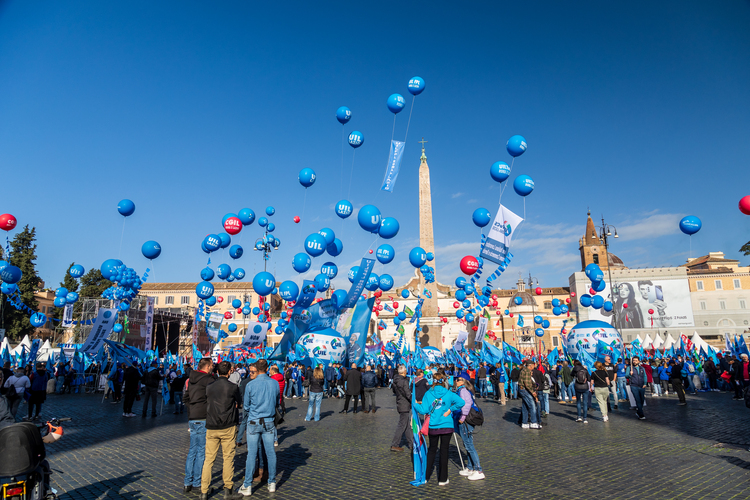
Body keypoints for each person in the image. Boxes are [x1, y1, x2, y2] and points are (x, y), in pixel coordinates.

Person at [414, 373, 465, 486]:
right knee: (444, 451)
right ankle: (442, 479)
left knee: (432, 451)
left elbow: (423, 410)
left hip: (434, 426)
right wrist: (450, 409)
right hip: (447, 426)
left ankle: (426, 477)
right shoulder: (449, 393)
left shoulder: (428, 393)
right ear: (443, 381)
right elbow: (461, 402)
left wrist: (415, 405)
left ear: (433, 381)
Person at [239, 359, 280, 496]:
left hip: (254, 421)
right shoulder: (274, 383)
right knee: (270, 452)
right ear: (267, 368)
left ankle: (247, 485)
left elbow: (246, 406)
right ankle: (272, 482)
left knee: (251, 454)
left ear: (257, 368)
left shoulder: (251, 385)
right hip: (268, 421)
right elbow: (277, 402)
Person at [201, 361, 241, 500]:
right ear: (230, 371)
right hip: (228, 425)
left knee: (209, 460)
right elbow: (239, 403)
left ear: (217, 371)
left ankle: (204, 491)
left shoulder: (209, 386)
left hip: (211, 425)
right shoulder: (233, 387)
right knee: (228, 458)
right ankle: (228, 489)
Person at [183, 358, 215, 494]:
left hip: (193, 418)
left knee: (192, 451)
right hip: (203, 417)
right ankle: (197, 482)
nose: (213, 367)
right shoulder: (209, 380)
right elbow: (213, 399)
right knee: (201, 452)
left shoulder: (191, 379)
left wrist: (192, 409)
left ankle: (187, 482)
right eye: (212, 365)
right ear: (207, 367)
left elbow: (186, 398)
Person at [455, 373, 484, 480]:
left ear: (462, 381)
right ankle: (470, 468)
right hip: (467, 421)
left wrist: (462, 418)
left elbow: (467, 404)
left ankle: (479, 470)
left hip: (466, 421)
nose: (456, 381)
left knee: (469, 446)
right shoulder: (464, 390)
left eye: (458, 379)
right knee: (467, 444)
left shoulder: (463, 391)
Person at [390, 365, 413, 452]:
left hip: (399, 402)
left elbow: (393, 391)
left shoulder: (395, 380)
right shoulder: (404, 381)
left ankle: (411, 444)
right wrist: (413, 401)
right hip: (404, 404)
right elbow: (407, 393)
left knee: (406, 426)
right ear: (403, 372)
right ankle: (394, 444)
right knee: (402, 425)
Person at [518, 360, 539, 429]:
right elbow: (527, 384)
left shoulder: (524, 370)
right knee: (532, 405)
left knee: (525, 406)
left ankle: (524, 423)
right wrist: (533, 392)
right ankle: (533, 422)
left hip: (522, 389)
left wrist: (535, 385)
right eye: (533, 365)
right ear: (530, 365)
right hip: (524, 390)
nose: (534, 366)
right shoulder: (527, 371)